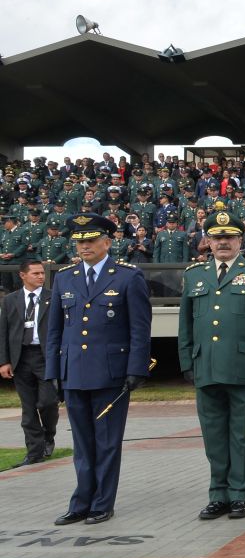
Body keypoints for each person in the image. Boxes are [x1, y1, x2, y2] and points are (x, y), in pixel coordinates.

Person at [45, 214, 152, 525]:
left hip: (111, 373)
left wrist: (136, 369)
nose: (84, 246)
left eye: (90, 240)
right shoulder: (65, 277)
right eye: (79, 241)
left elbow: (139, 329)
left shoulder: (127, 277)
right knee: (82, 443)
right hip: (74, 372)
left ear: (107, 242)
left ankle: (102, 503)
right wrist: (54, 372)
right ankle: (81, 501)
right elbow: (54, 331)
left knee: (106, 442)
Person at [179, 208, 245, 520]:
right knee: (214, 436)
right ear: (208, 241)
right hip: (206, 367)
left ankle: (240, 495)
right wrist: (186, 361)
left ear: (240, 240)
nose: (223, 242)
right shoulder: (194, 275)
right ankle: (218, 494)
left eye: (229, 237)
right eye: (217, 237)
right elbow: (186, 325)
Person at [0, 260, 59, 467]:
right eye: (35, 273)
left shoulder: (53, 297)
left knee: (48, 402)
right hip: (21, 357)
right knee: (28, 408)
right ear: (23, 275)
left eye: (42, 273)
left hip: (45, 357)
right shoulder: (10, 300)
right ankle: (34, 452)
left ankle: (48, 436)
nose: (41, 277)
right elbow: (4, 332)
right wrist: (4, 361)